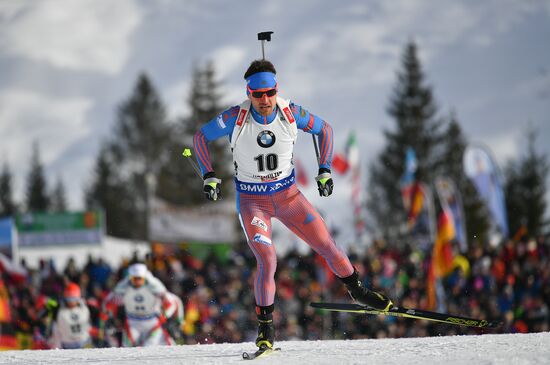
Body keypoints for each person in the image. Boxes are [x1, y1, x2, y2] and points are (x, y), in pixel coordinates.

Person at [193, 59, 393, 350]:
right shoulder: (236, 117)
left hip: (288, 197)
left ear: (276, 90)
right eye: (257, 94)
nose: (264, 100)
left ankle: (357, 290)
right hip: (253, 202)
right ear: (248, 92)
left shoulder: (289, 112)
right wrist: (209, 175)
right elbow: (200, 137)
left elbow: (325, 130)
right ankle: (265, 329)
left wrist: (324, 168)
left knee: (329, 246)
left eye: (269, 93)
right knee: (267, 259)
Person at [103, 263, 178, 347]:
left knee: (153, 347)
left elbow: (171, 302)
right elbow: (109, 302)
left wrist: (166, 315)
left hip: (152, 322)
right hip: (132, 322)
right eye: (134, 279)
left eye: (140, 279)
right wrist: (111, 317)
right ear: (130, 278)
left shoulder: (154, 286)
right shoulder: (123, 287)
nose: (137, 282)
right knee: (127, 348)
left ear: (144, 277)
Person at [48, 282, 92, 349]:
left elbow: (89, 325)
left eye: (74, 299)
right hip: (67, 345)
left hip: (84, 343)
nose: (71, 302)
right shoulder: (59, 310)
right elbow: (55, 331)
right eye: (69, 299)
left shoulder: (84, 308)